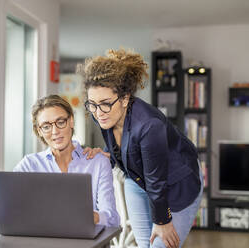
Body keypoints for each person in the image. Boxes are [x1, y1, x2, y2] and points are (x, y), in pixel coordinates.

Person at [77, 48, 203, 248]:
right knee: (144, 245)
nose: (98, 112)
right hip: (137, 180)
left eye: (105, 104)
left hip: (176, 183)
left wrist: (162, 221)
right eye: (92, 104)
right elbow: (122, 144)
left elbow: (157, 181)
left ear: (125, 98)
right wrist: (109, 155)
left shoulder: (148, 126)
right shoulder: (103, 113)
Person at [0, 95, 120, 227]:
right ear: (39, 131)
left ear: (71, 121)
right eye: (46, 126)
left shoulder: (97, 162)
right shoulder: (30, 164)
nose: (55, 131)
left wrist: (91, 217)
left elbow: (112, 218)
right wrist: (37, 210)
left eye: (60, 122)